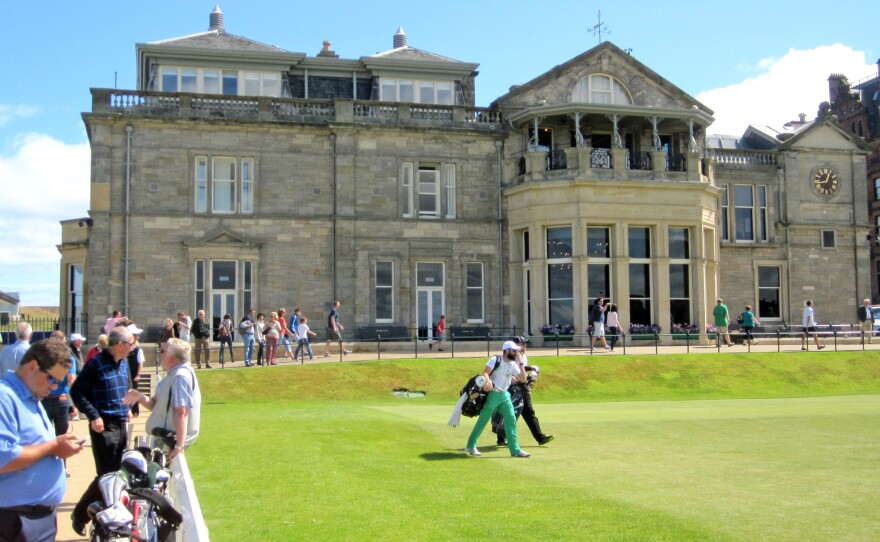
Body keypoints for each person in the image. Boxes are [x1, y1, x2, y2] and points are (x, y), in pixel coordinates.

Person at [0, 338, 85, 542]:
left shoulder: (30, 396)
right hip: (16, 519)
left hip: (34, 517)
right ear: (32, 367)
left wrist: (56, 445)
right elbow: (3, 458)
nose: (55, 387)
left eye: (59, 382)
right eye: (52, 379)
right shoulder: (5, 397)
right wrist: (52, 447)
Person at [70, 326, 134, 536]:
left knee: (117, 474)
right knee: (105, 477)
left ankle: (104, 515)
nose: (133, 348)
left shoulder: (124, 363)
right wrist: (93, 415)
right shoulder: (95, 364)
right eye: (130, 344)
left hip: (121, 421)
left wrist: (129, 408)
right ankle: (81, 516)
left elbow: (126, 386)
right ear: (119, 345)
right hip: (103, 424)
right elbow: (77, 392)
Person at [124, 338, 200, 463]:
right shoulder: (172, 375)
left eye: (163, 351)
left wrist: (179, 446)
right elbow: (155, 405)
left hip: (171, 440)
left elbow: (181, 411)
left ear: (171, 357)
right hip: (164, 438)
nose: (160, 353)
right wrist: (140, 397)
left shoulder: (180, 376)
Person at [464, 340, 531, 458]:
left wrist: (521, 363)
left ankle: (515, 450)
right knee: (483, 421)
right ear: (506, 350)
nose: (516, 352)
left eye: (516, 351)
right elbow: (485, 373)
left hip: (505, 395)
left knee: (511, 420)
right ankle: (470, 445)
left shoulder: (514, 364)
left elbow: (523, 379)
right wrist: (488, 381)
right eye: (513, 350)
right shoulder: (496, 359)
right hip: (493, 394)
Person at [493, 337, 554, 447]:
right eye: (522, 344)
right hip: (510, 389)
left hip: (522, 388)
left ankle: (540, 437)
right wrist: (529, 368)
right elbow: (506, 370)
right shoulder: (510, 356)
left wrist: (529, 382)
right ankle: (501, 437)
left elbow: (522, 372)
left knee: (529, 413)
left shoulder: (523, 357)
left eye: (525, 344)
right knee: (508, 413)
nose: (524, 346)